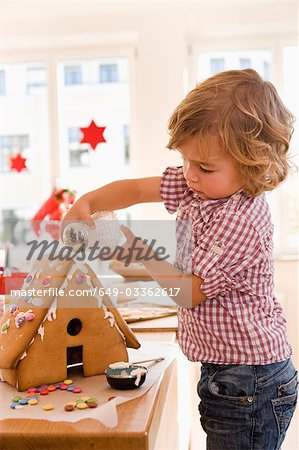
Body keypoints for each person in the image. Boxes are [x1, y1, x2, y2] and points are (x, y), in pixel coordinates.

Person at [62, 69, 298, 450]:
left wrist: (135, 249)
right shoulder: (199, 186)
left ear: (253, 165)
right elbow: (137, 189)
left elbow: (188, 292)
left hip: (251, 382)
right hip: (229, 374)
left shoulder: (241, 219)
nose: (188, 173)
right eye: (184, 159)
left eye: (203, 166)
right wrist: (87, 202)